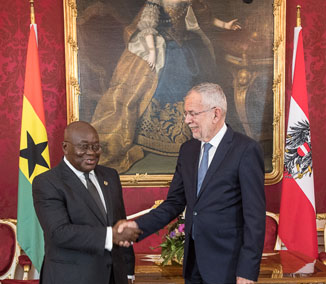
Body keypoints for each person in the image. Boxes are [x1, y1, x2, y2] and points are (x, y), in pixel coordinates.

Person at [120, 83, 266, 284]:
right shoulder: (188, 150)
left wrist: (247, 269)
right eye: (186, 114)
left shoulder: (245, 150)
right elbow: (174, 204)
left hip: (230, 268)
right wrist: (135, 229)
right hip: (195, 265)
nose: (187, 120)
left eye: (192, 113)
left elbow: (254, 215)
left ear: (216, 113)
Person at [32, 121, 140, 284]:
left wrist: (129, 271)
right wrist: (109, 236)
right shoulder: (47, 182)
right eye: (83, 147)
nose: (91, 153)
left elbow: (120, 224)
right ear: (65, 147)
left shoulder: (109, 176)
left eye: (96, 146)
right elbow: (59, 232)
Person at [91, 0, 241, 173]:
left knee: (196, 80)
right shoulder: (156, 1)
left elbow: (204, 18)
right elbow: (147, 26)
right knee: (168, 79)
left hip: (186, 44)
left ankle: (194, 129)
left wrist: (225, 24)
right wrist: (153, 52)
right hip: (160, 45)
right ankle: (156, 134)